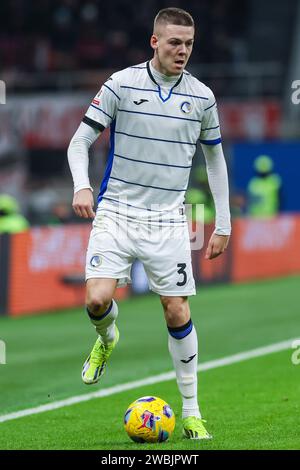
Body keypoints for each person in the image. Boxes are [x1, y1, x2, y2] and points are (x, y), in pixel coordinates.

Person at [68, 7, 231, 440]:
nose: (183, 51)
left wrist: (224, 223)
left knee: (176, 308)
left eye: (190, 44)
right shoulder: (121, 84)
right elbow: (80, 140)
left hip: (168, 219)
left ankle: (193, 412)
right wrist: (81, 186)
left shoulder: (202, 97)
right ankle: (106, 338)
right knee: (96, 301)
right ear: (154, 42)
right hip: (117, 210)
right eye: (175, 42)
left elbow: (215, 161)